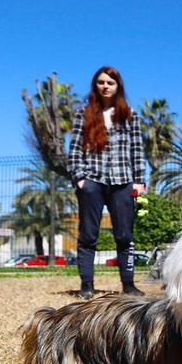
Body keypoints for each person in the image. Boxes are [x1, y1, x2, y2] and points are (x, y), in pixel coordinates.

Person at [67, 65, 147, 299]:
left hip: (123, 181)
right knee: (88, 235)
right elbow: (74, 149)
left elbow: (137, 149)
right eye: (101, 82)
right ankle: (87, 285)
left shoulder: (130, 114)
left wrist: (139, 180)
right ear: (95, 85)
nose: (105, 86)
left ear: (117, 86)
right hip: (92, 180)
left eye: (110, 83)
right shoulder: (84, 114)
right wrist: (80, 178)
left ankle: (129, 284)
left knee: (125, 235)